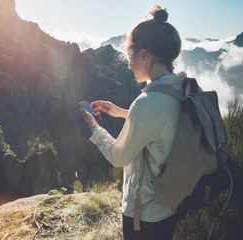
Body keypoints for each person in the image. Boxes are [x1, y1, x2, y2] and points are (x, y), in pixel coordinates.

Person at [80, 5, 187, 240]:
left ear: (144, 55)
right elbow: (162, 124)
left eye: (131, 58)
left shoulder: (147, 103)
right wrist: (120, 112)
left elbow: (118, 156)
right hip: (171, 204)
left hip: (144, 214)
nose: (129, 65)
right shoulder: (182, 89)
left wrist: (94, 127)